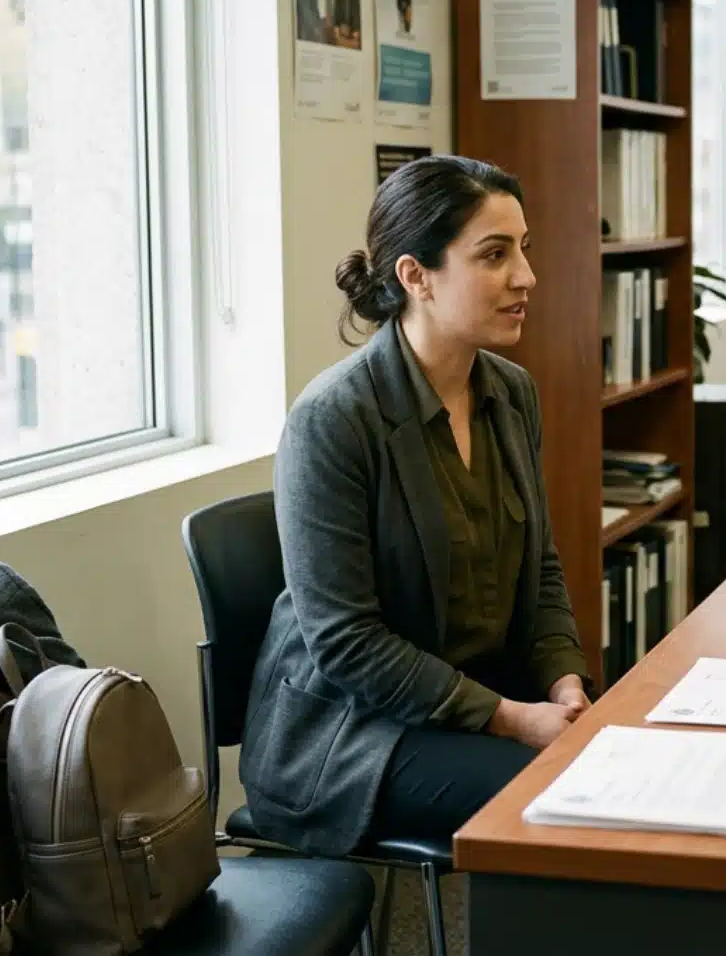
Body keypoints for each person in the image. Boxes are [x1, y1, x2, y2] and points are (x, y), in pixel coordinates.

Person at [239, 156, 591, 857]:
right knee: (569, 796)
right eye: (494, 254)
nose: (526, 276)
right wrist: (513, 720)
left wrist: (564, 678)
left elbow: (540, 564)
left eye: (523, 248)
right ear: (415, 276)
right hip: (351, 733)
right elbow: (345, 643)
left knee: (615, 759)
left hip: (476, 700)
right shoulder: (334, 419)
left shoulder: (511, 392)